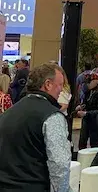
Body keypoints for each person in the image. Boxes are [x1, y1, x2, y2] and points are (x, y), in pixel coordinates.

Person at [0, 63, 72, 191]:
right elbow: (60, 164)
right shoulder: (52, 116)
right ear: (48, 84)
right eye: (60, 84)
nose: (62, 90)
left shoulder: (9, 113)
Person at [77, 70, 98, 149]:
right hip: (87, 118)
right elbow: (86, 102)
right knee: (82, 140)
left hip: (94, 120)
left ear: (95, 81)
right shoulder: (88, 91)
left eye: (89, 83)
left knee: (94, 141)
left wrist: (86, 113)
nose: (87, 85)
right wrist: (82, 106)